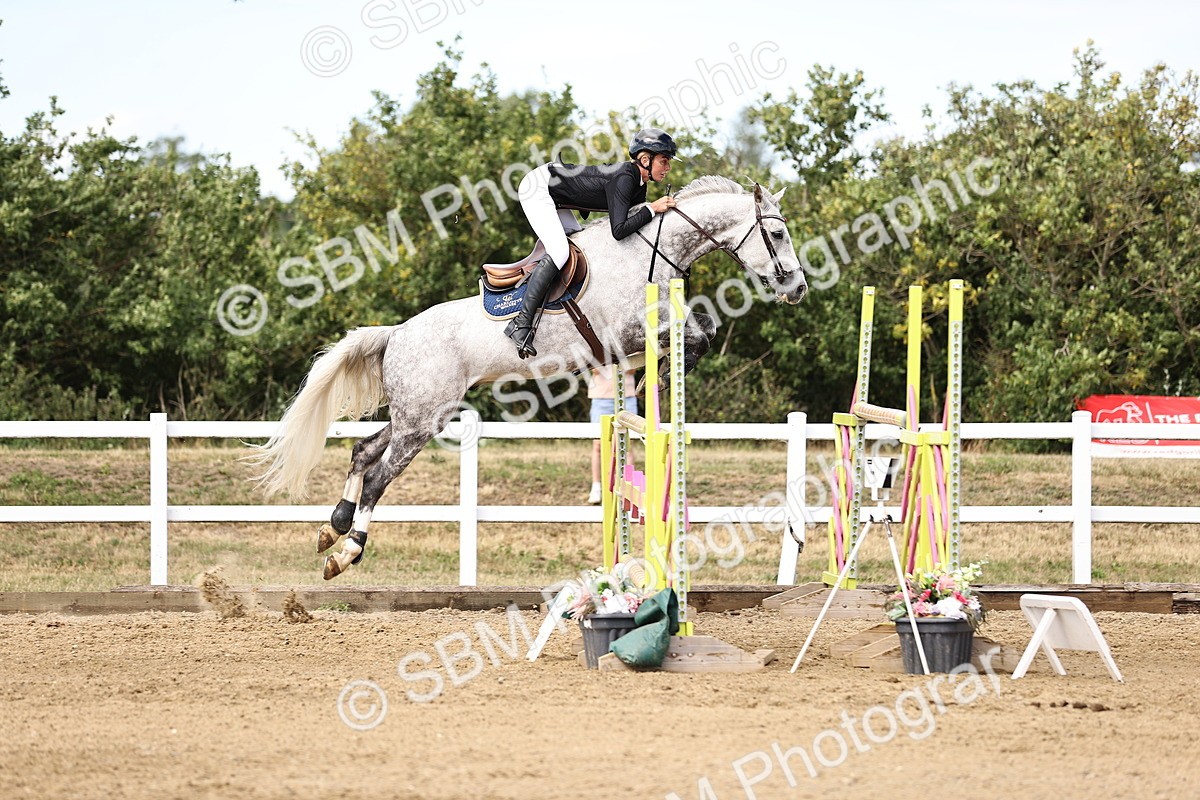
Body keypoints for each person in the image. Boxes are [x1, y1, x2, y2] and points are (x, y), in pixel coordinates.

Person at [505, 128, 679, 358]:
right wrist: (652, 208)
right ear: (645, 160)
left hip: (558, 196)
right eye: (664, 162)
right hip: (539, 187)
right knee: (559, 252)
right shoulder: (626, 178)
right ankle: (521, 323)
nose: (667, 168)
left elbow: (635, 227)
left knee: (582, 249)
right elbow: (619, 231)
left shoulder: (639, 184)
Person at [587, 366, 639, 504]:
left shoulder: (629, 344)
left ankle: (628, 488)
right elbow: (595, 369)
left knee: (627, 445)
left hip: (627, 397)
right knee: (598, 444)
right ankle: (596, 486)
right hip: (601, 397)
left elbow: (633, 368)